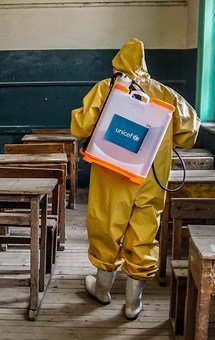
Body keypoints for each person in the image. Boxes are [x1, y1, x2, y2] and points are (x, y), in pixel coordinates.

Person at [70, 38, 200, 320]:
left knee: (105, 228)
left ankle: (102, 290)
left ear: (117, 63)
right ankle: (132, 304)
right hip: (150, 178)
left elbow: (79, 126)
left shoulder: (106, 89)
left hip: (111, 176)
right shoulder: (166, 94)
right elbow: (190, 134)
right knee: (144, 234)